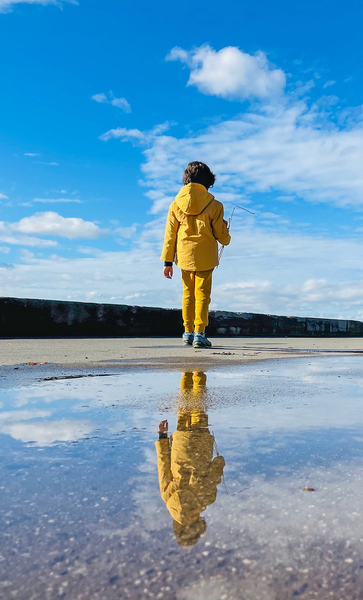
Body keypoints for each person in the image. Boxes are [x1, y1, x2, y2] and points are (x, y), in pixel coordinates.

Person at [161, 162, 231, 349]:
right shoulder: (215, 205)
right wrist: (226, 232)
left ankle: (187, 332)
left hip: (184, 256)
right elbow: (222, 237)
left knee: (187, 294)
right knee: (202, 295)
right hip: (206, 256)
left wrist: (168, 262)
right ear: (208, 181)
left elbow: (170, 235)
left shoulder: (175, 205)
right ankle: (200, 333)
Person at [156, 371, 225, 546]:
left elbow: (215, 473)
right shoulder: (167, 498)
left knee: (198, 407)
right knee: (184, 409)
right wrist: (163, 437)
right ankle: (186, 373)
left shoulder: (205, 499)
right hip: (180, 443)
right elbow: (163, 466)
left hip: (200, 443)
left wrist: (220, 461)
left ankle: (198, 371)